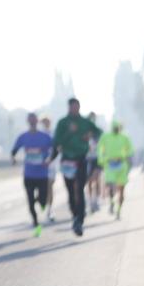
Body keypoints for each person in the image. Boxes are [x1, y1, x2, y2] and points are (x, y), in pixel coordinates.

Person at [49, 97, 102, 237]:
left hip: (81, 159)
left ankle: (79, 220)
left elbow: (99, 132)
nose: (75, 109)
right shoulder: (62, 123)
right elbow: (57, 141)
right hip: (67, 160)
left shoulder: (85, 122)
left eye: (77, 107)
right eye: (72, 107)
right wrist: (69, 132)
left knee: (79, 189)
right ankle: (74, 214)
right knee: (71, 191)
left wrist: (91, 134)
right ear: (69, 107)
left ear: (79, 107)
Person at [10, 113, 53, 237]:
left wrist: (49, 159)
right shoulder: (23, 136)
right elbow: (14, 149)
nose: (33, 122)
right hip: (28, 174)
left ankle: (38, 201)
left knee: (43, 201)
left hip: (42, 174)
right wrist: (13, 158)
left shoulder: (45, 137)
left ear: (37, 121)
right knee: (30, 201)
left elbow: (55, 149)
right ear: (28, 121)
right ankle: (35, 221)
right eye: (30, 120)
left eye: (34, 120)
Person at [98, 120, 134, 219]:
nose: (116, 129)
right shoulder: (105, 136)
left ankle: (119, 211)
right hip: (109, 164)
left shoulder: (125, 137)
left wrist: (126, 155)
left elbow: (130, 149)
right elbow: (100, 148)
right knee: (111, 185)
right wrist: (101, 159)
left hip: (121, 164)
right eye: (115, 127)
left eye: (118, 127)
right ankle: (112, 202)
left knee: (121, 189)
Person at [40, 115, 58, 222]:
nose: (46, 124)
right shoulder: (39, 134)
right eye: (44, 122)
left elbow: (57, 149)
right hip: (40, 165)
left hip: (51, 164)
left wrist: (51, 160)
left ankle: (50, 209)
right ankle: (44, 204)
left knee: (50, 186)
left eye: (47, 122)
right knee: (43, 188)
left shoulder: (53, 134)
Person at [85, 112, 102, 213]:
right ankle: (91, 201)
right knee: (90, 182)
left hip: (97, 159)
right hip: (88, 159)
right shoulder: (84, 132)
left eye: (93, 118)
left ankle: (97, 200)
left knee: (96, 179)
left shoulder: (98, 132)